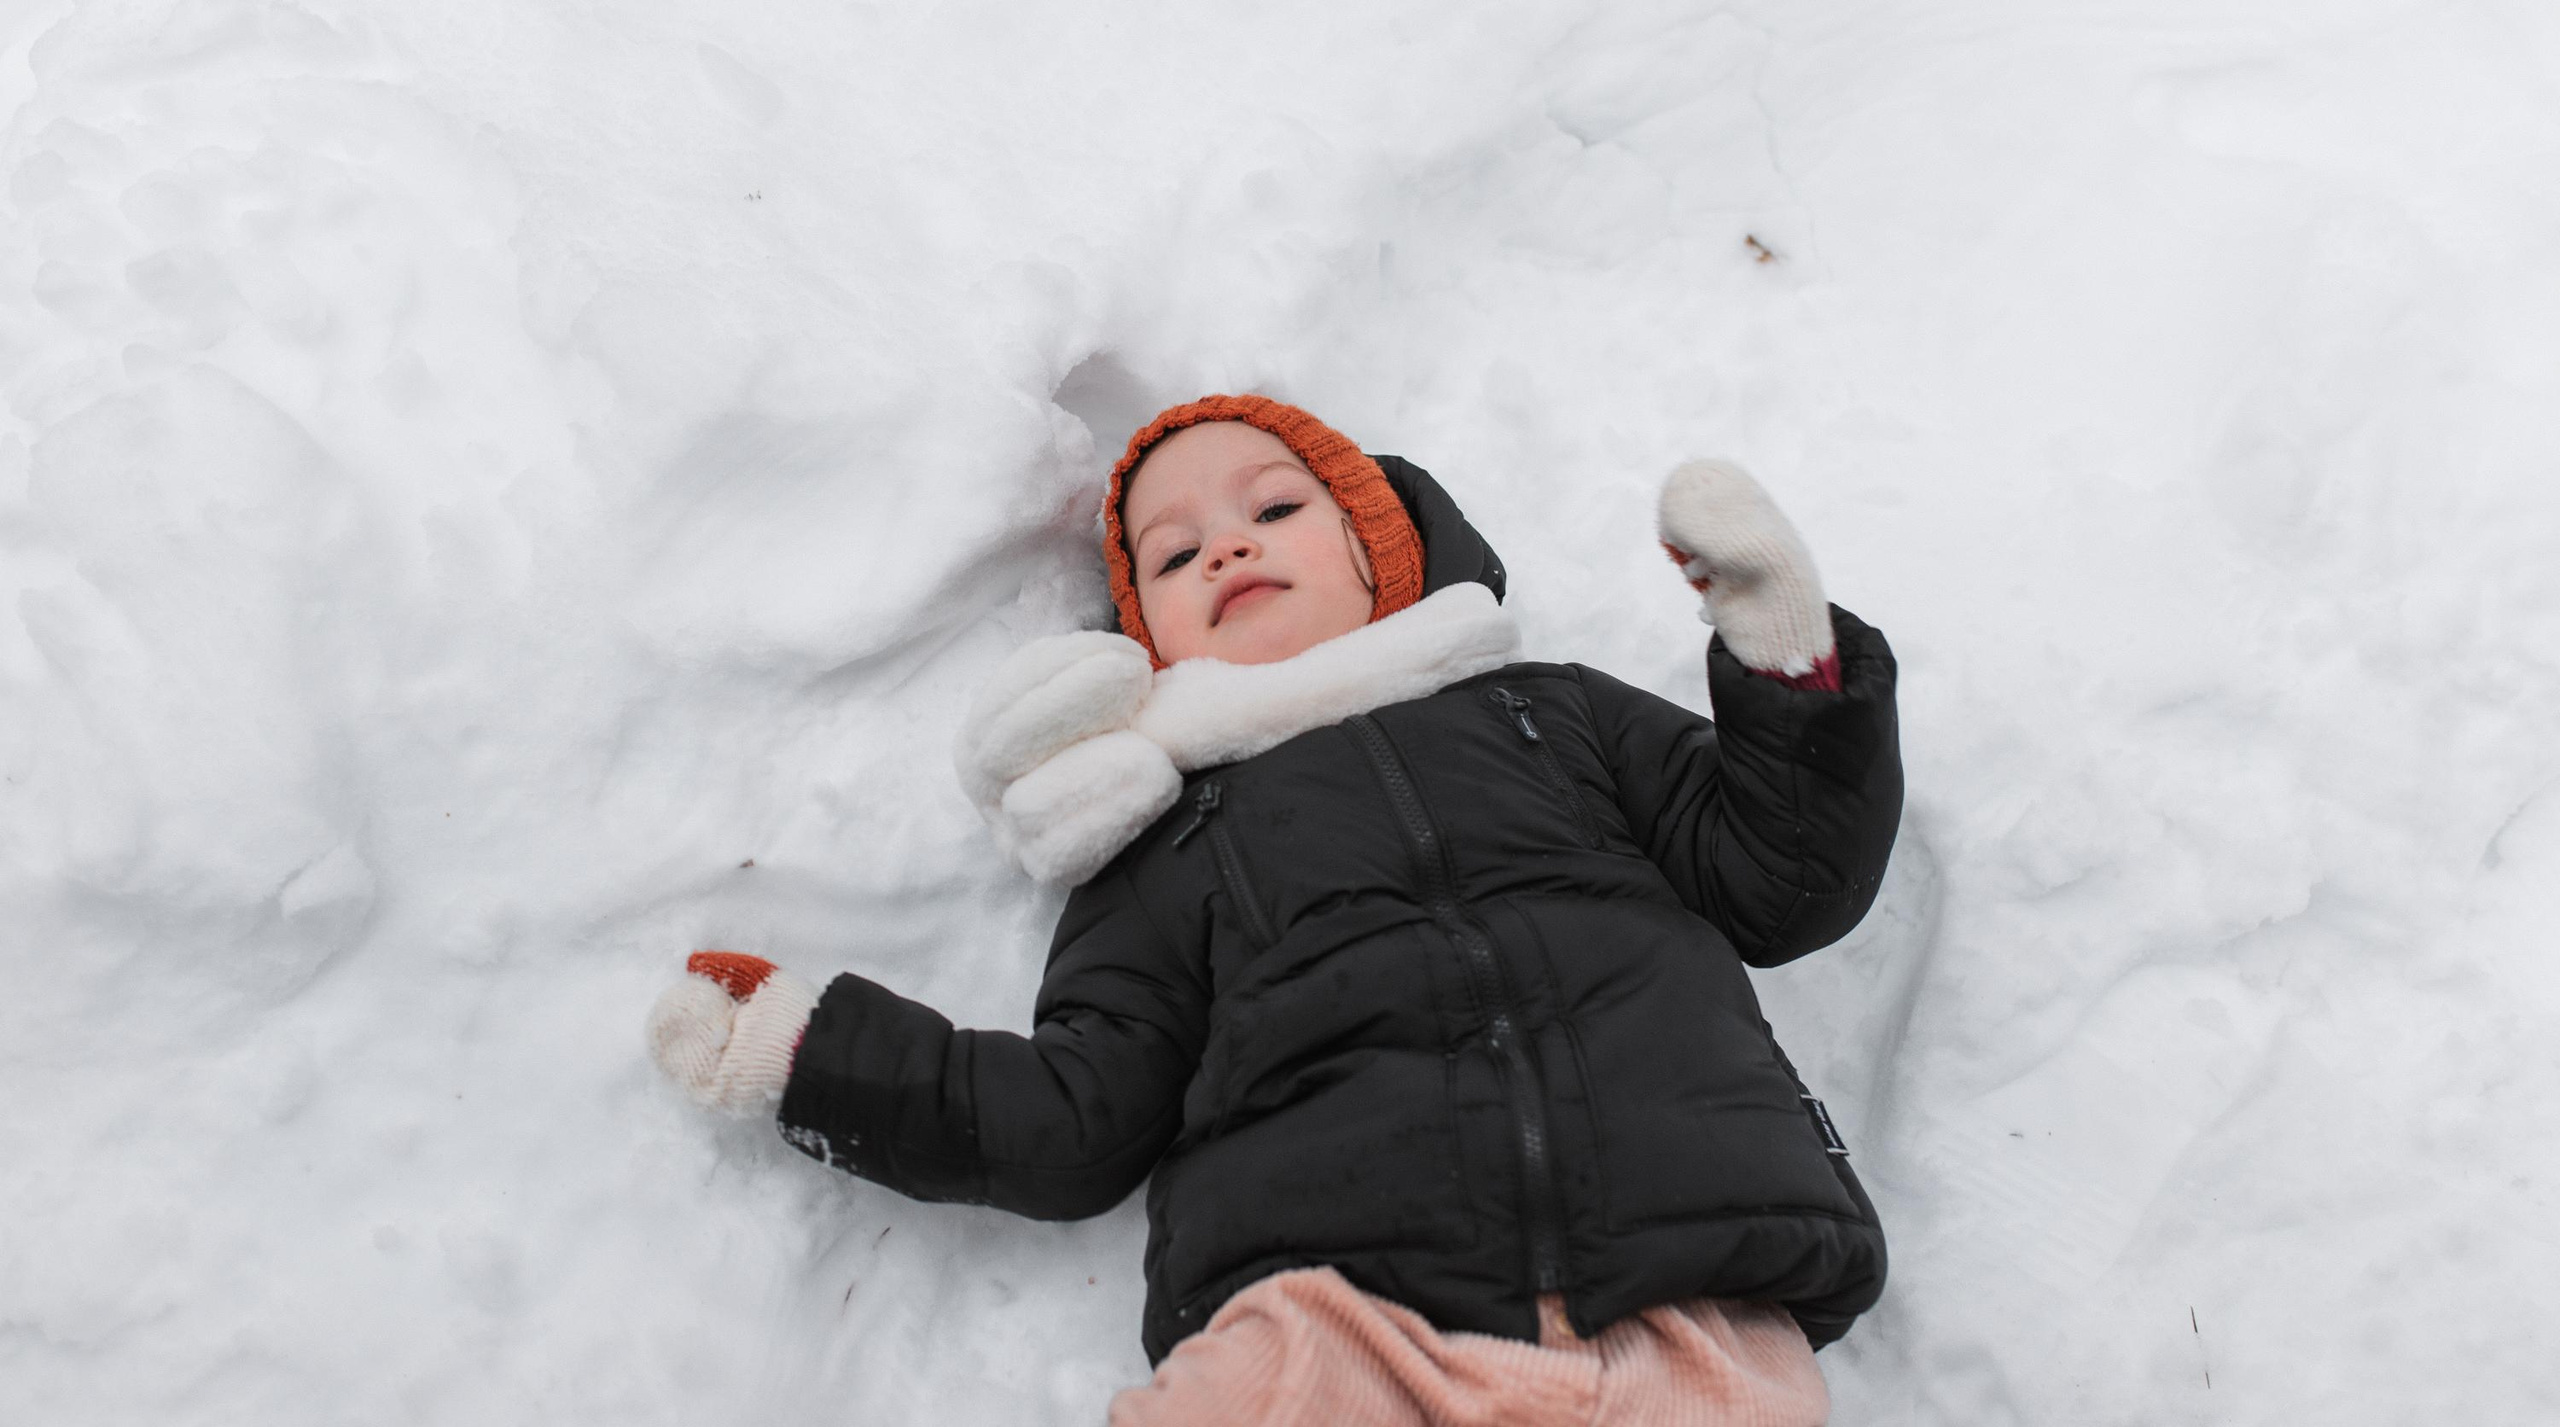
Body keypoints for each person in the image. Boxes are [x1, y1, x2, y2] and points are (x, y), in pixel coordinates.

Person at [647, 394, 1903, 1425]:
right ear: (1146, 639)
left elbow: (1779, 879)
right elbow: (1075, 1119)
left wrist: (1784, 659)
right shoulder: (1161, 842)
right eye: (1174, 555)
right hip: (1331, 1327)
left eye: (1274, 508)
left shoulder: (1554, 711)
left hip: (1690, 1305)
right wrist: (817, 1056)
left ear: (1379, 544)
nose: (1227, 549)